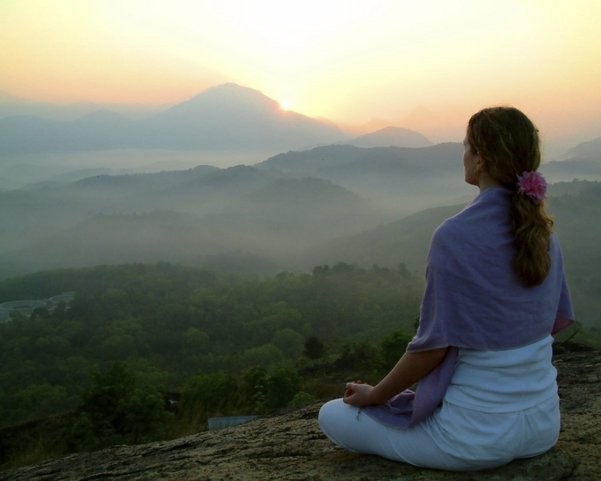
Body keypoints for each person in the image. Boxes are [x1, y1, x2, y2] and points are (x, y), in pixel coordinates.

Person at [318, 106, 574, 471]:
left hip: (473, 439)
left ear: (480, 160)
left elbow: (431, 351)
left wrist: (376, 395)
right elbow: (547, 323)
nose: (464, 155)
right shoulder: (545, 236)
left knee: (332, 415)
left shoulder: (454, 236)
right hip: (542, 428)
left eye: (466, 146)